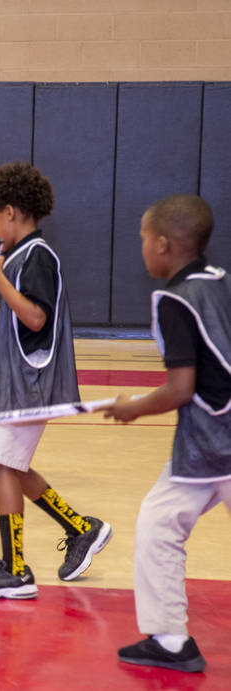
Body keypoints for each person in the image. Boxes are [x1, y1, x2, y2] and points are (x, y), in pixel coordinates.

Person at [0, 162, 111, 599]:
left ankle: (15, 569)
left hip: (30, 386)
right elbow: (6, 330)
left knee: (2, 463)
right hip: (12, 383)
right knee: (8, 464)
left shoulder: (37, 257)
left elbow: (36, 317)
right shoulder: (17, 257)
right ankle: (81, 528)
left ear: (10, 212)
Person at [107, 194, 229, 674]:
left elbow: (181, 388)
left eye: (141, 239)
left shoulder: (174, 300)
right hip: (214, 439)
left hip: (212, 441)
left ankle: (172, 640)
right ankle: (170, 639)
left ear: (162, 244)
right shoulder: (219, 281)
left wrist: (132, 409)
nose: (141, 248)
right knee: (160, 521)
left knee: (159, 525)